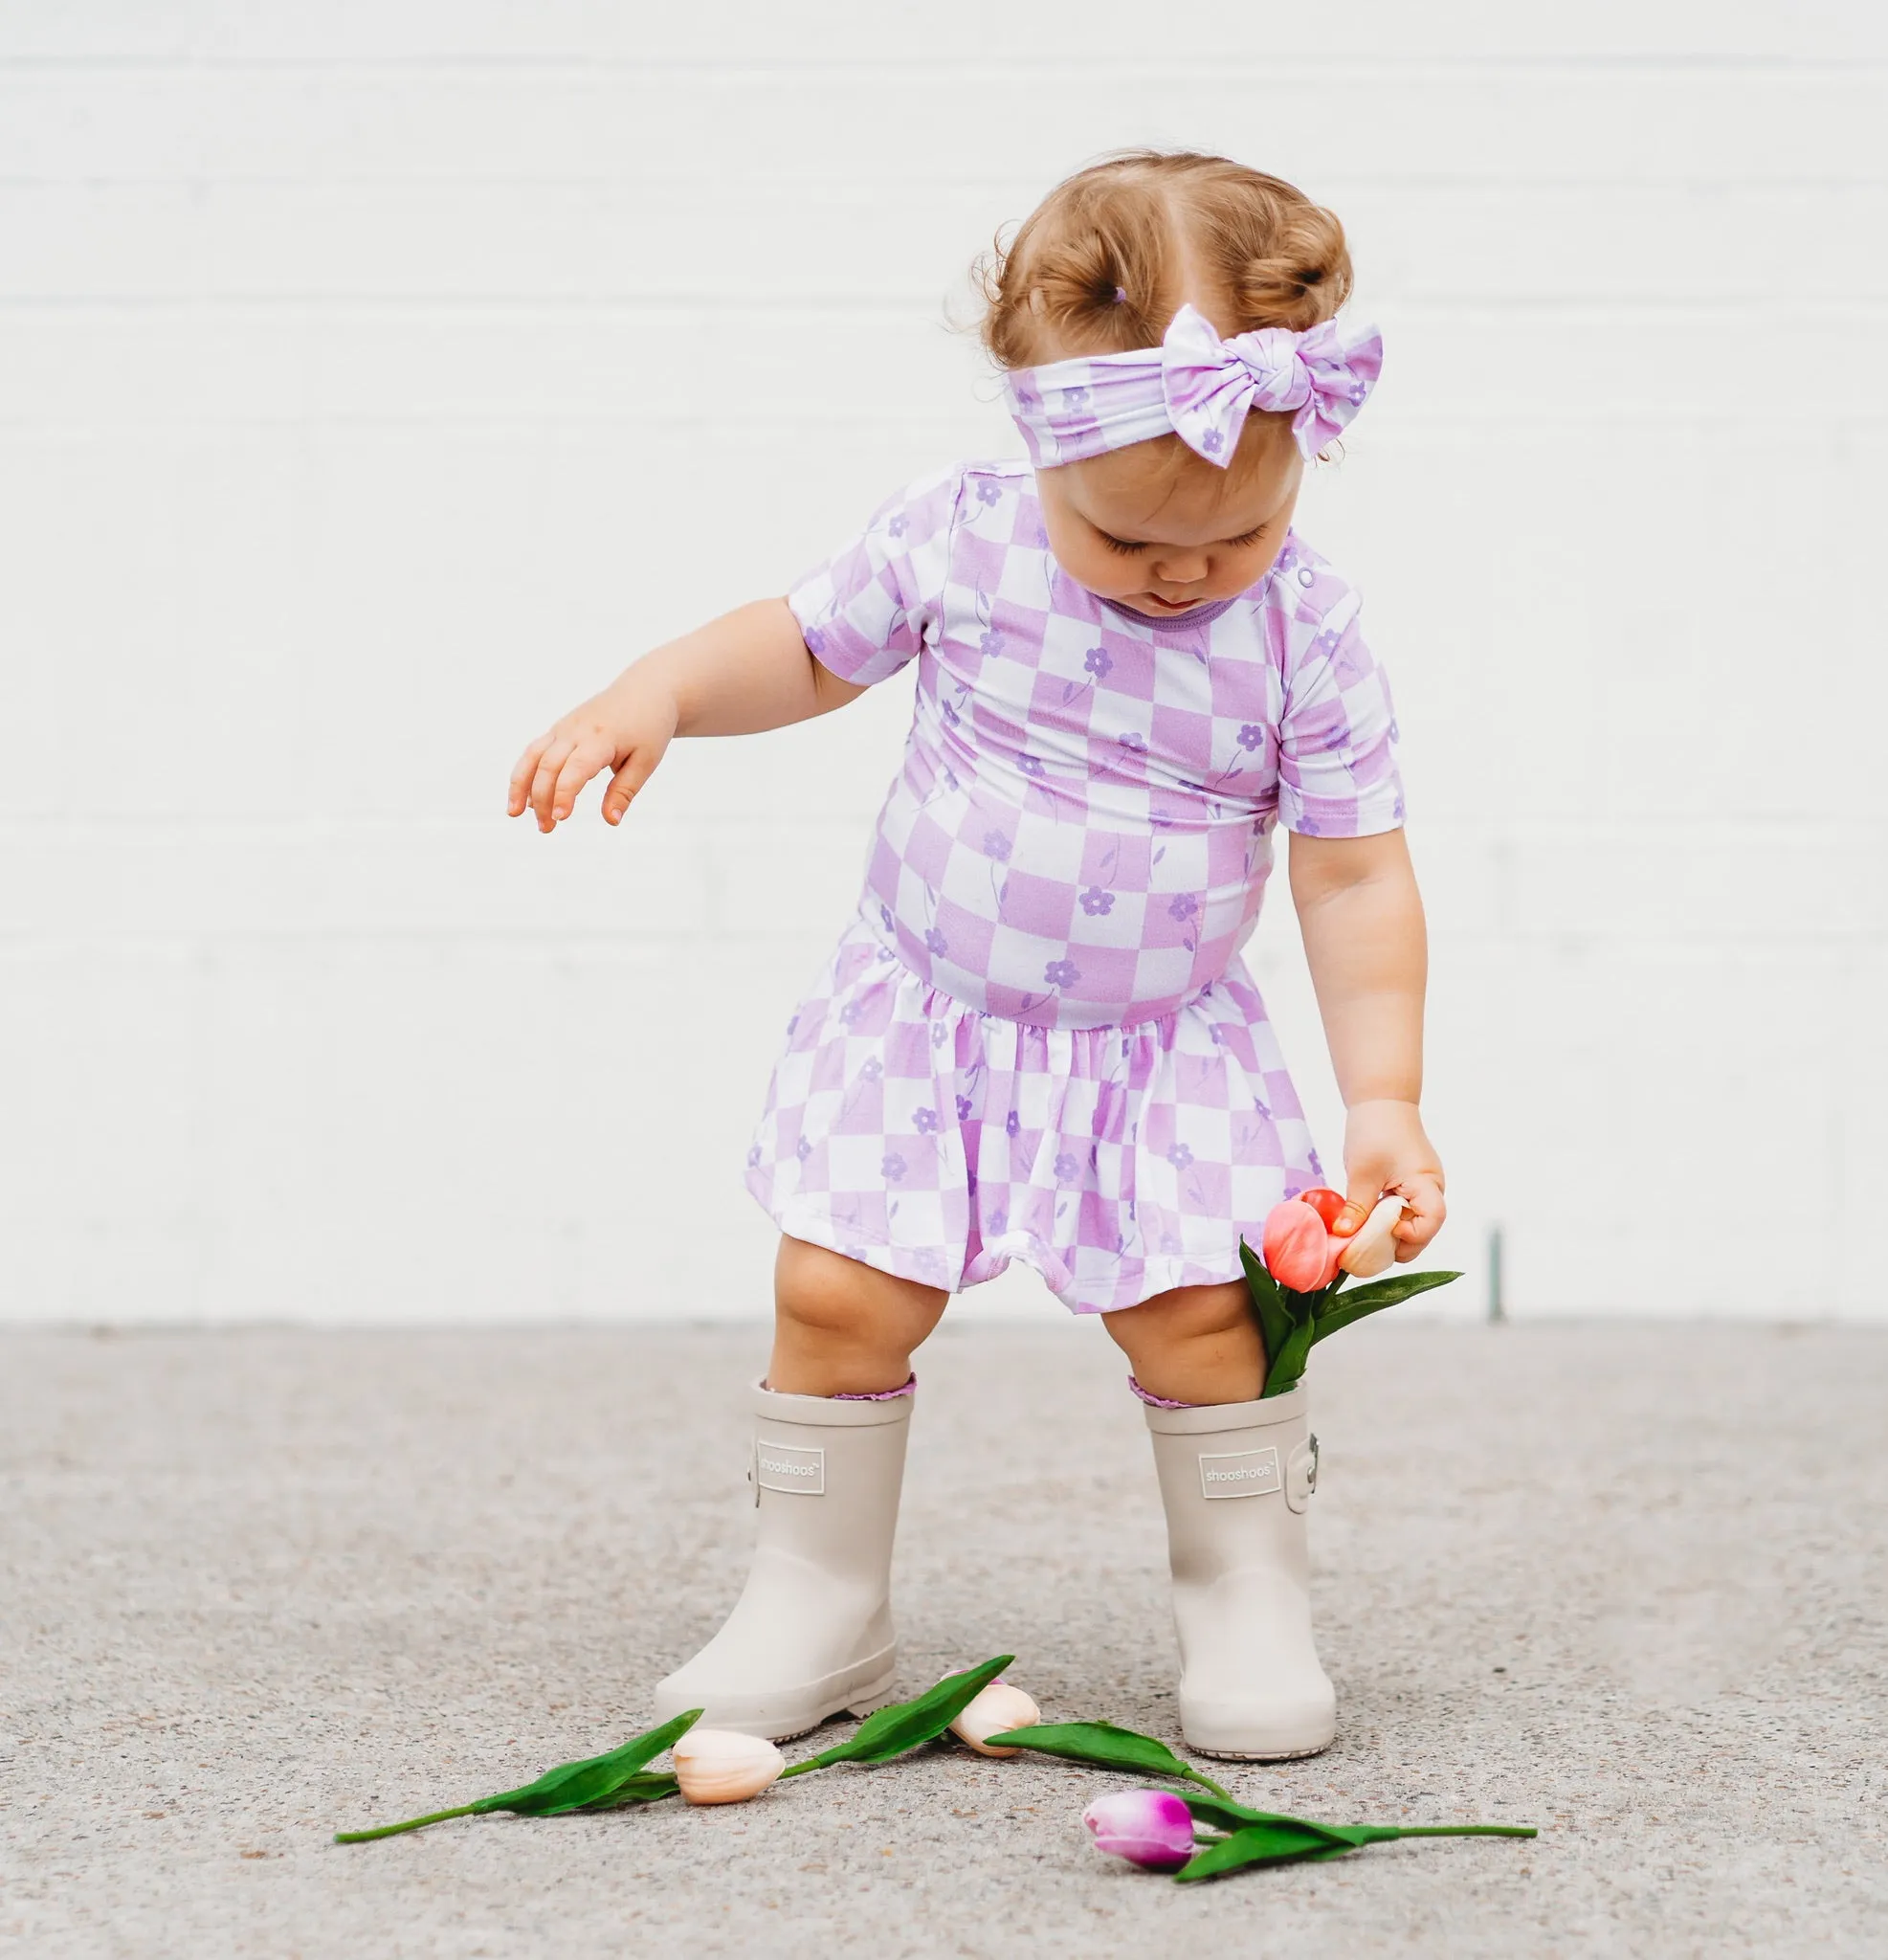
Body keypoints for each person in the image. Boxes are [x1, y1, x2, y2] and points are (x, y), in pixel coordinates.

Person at [506, 152, 1445, 1761]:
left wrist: (1387, 1097)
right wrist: (656, 690)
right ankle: (816, 1593)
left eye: (1238, 529)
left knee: (1202, 1322)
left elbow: (1353, 881)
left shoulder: (1308, 628)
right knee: (839, 1290)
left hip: (1161, 1050)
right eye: (1127, 534)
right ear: (1035, 444)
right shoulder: (960, 543)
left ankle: (1242, 1590)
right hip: (927, 1020)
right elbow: (798, 650)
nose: (1182, 572)